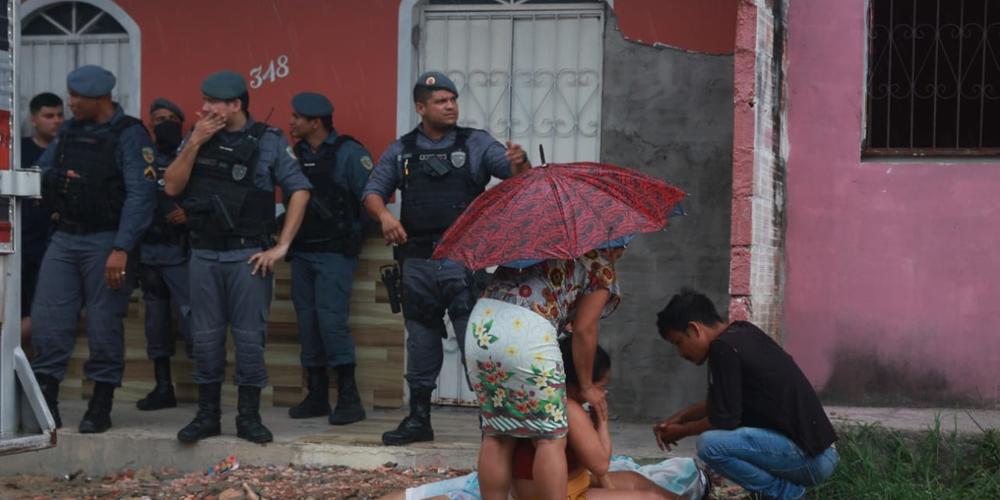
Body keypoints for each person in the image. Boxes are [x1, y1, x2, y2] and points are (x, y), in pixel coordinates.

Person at [362, 71, 530, 446]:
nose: (450, 105)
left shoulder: (475, 143)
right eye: (440, 101)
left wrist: (520, 162)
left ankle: (494, 422)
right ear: (421, 107)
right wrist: (385, 216)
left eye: (452, 99)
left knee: (475, 341)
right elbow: (372, 191)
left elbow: (516, 178)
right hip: (417, 263)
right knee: (421, 342)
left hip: (462, 260)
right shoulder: (402, 150)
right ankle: (419, 419)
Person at [163, 70, 311, 444]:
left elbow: (299, 191)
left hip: (248, 254)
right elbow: (171, 185)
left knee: (248, 340)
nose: (205, 107)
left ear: (235, 105)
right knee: (205, 339)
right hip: (204, 254)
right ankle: (207, 416)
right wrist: (195, 142)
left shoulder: (270, 140)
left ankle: (249, 418)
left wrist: (282, 246)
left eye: (212, 102)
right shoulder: (196, 136)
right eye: (205, 100)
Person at [381, 339, 694, 500]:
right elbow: (600, 464)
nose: (602, 391)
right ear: (582, 379)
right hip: (565, 495)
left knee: (637, 482)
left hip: (538, 489)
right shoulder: (569, 407)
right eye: (600, 384)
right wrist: (602, 419)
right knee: (651, 496)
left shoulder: (526, 395)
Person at [31, 65, 157, 433]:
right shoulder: (68, 132)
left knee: (104, 325)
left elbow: (141, 194)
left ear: (100, 98)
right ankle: (46, 402)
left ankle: (100, 405)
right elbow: (41, 172)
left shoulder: (129, 134)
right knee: (48, 320)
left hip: (107, 241)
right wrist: (55, 184)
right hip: (66, 237)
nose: (70, 104)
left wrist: (121, 247)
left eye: (76, 98)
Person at [466, 239, 629, 500]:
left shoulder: (538, 244)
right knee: (549, 438)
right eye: (623, 247)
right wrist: (587, 387)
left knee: (497, 433)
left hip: (482, 327)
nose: (621, 254)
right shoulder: (600, 263)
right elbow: (585, 330)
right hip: (528, 332)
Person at [653, 289, 839, 500]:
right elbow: (720, 405)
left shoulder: (722, 349)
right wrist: (681, 417)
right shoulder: (741, 334)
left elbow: (722, 421)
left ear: (695, 329)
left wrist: (680, 432)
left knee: (710, 445)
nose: (681, 353)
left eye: (678, 342)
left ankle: (787, 495)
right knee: (716, 441)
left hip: (810, 458)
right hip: (820, 453)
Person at [285, 92, 373, 425]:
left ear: (315, 122)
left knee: (331, 324)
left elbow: (371, 198)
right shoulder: (295, 154)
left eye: (297, 117)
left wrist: (352, 237)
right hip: (304, 252)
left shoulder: (349, 153)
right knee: (307, 325)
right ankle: (317, 395)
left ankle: (349, 399)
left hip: (334, 254)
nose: (291, 122)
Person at [135, 97, 192, 411]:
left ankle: (207, 393)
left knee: (193, 322)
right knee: (155, 325)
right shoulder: (142, 157)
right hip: (149, 254)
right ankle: (162, 388)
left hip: (181, 252)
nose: (165, 123)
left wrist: (190, 215)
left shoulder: (191, 155)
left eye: (171, 117)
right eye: (158, 119)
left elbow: (209, 195)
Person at [20, 92, 64, 347]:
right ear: (33, 119)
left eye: (60, 115)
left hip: (54, 243)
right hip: (20, 245)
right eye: (49, 116)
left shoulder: (70, 149)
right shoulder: (19, 150)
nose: (56, 121)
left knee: (45, 313)